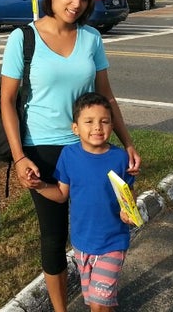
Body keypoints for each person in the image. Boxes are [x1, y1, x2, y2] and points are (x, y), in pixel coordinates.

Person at [0, 0, 141, 312]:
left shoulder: (91, 38)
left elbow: (106, 96)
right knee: (53, 235)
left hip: (89, 146)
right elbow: (7, 101)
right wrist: (19, 157)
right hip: (42, 147)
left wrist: (127, 143)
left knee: (101, 222)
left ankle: (100, 294)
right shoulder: (23, 38)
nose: (76, 3)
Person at [35, 92, 137, 311]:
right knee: (93, 300)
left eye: (104, 121)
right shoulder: (69, 156)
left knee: (99, 304)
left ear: (112, 125)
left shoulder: (120, 158)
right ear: (75, 128)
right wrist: (40, 186)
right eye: (89, 122)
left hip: (113, 242)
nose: (97, 127)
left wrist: (127, 210)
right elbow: (62, 194)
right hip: (82, 243)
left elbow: (128, 195)